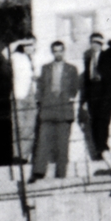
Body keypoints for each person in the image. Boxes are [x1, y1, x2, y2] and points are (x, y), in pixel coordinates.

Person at [29, 41, 80, 181]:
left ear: (64, 51)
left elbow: (75, 87)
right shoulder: (45, 68)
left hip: (64, 110)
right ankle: (38, 172)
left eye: (60, 50)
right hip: (48, 109)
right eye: (55, 51)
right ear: (52, 52)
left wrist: (68, 97)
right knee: (43, 142)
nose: (58, 53)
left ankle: (61, 174)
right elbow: (40, 88)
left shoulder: (72, 69)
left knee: (62, 144)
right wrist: (40, 102)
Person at [80, 32, 111, 158]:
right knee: (94, 123)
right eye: (93, 42)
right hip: (93, 95)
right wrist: (84, 99)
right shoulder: (88, 58)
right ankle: (99, 150)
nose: (95, 45)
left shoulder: (108, 55)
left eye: (98, 42)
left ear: (101, 43)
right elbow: (87, 80)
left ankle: (103, 148)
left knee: (103, 122)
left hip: (107, 94)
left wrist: (107, 40)